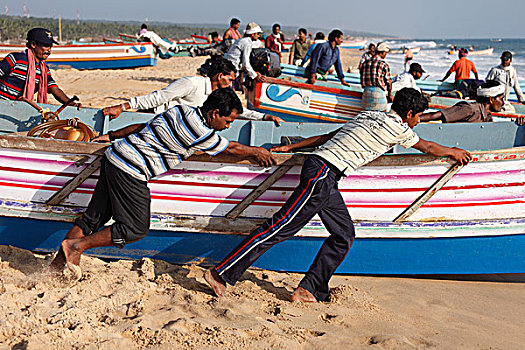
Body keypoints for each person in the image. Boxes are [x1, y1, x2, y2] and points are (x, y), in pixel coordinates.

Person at [204, 88, 472, 302]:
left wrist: (295, 146)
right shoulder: (399, 128)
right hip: (322, 174)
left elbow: (329, 135)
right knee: (279, 227)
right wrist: (453, 151)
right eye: (418, 117)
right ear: (410, 114)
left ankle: (309, 289)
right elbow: (427, 146)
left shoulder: (370, 115)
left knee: (344, 235)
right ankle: (221, 273)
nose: (417, 122)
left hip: (325, 175)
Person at [48, 88, 276, 279]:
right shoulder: (201, 132)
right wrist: (256, 151)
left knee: (93, 217)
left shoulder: (179, 110)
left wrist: (113, 135)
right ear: (214, 113)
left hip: (115, 156)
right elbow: (233, 148)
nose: (227, 126)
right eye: (227, 121)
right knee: (135, 228)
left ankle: (58, 265)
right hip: (131, 169)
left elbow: (141, 127)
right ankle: (76, 247)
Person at [102, 57, 282, 125]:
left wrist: (265, 117)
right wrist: (124, 106)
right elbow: (159, 97)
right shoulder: (191, 83)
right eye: (230, 78)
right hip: (155, 118)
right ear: (220, 76)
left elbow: (239, 112)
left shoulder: (220, 96)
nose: (231, 83)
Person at [0, 28, 81, 108]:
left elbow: (54, 89)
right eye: (46, 46)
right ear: (33, 44)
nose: (49, 50)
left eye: (50, 46)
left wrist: (71, 103)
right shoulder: (15, 59)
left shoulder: (44, 69)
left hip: (20, 109)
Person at [420, 80, 504, 123]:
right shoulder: (469, 109)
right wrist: (413, 120)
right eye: (501, 99)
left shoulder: (487, 116)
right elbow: (438, 115)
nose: (503, 103)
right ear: (491, 99)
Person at [360, 42, 392, 111]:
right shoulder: (383, 64)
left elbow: (362, 80)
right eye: (386, 53)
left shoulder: (365, 63)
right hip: (379, 95)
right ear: (383, 52)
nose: (385, 55)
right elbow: (389, 82)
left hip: (366, 93)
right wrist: (389, 95)